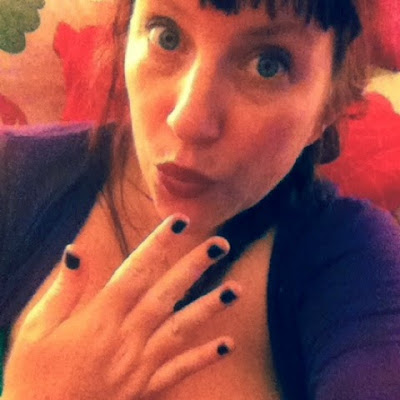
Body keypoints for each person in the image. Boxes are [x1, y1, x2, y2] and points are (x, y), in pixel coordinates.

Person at [1, 0, 400, 399]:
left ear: (327, 108)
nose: (189, 121)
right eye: (166, 37)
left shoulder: (356, 261)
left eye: (268, 65)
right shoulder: (11, 178)